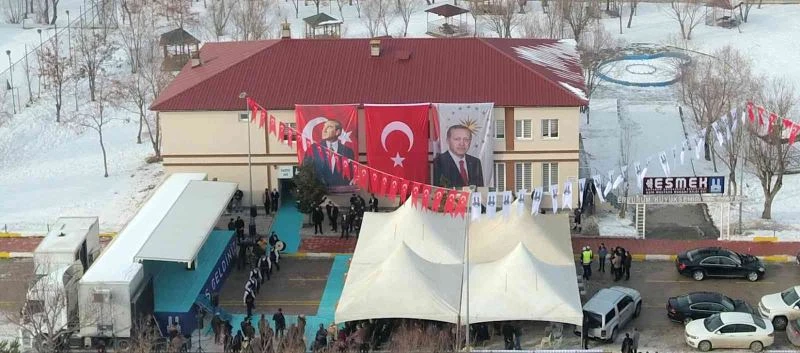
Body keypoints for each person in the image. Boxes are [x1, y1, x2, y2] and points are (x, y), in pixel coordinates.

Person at [303, 119, 355, 187]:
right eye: (324, 127)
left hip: (342, 192)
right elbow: (305, 170)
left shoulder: (348, 152)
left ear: (337, 132)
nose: (324, 130)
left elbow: (352, 173)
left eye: (329, 127)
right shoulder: (313, 149)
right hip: (318, 192)